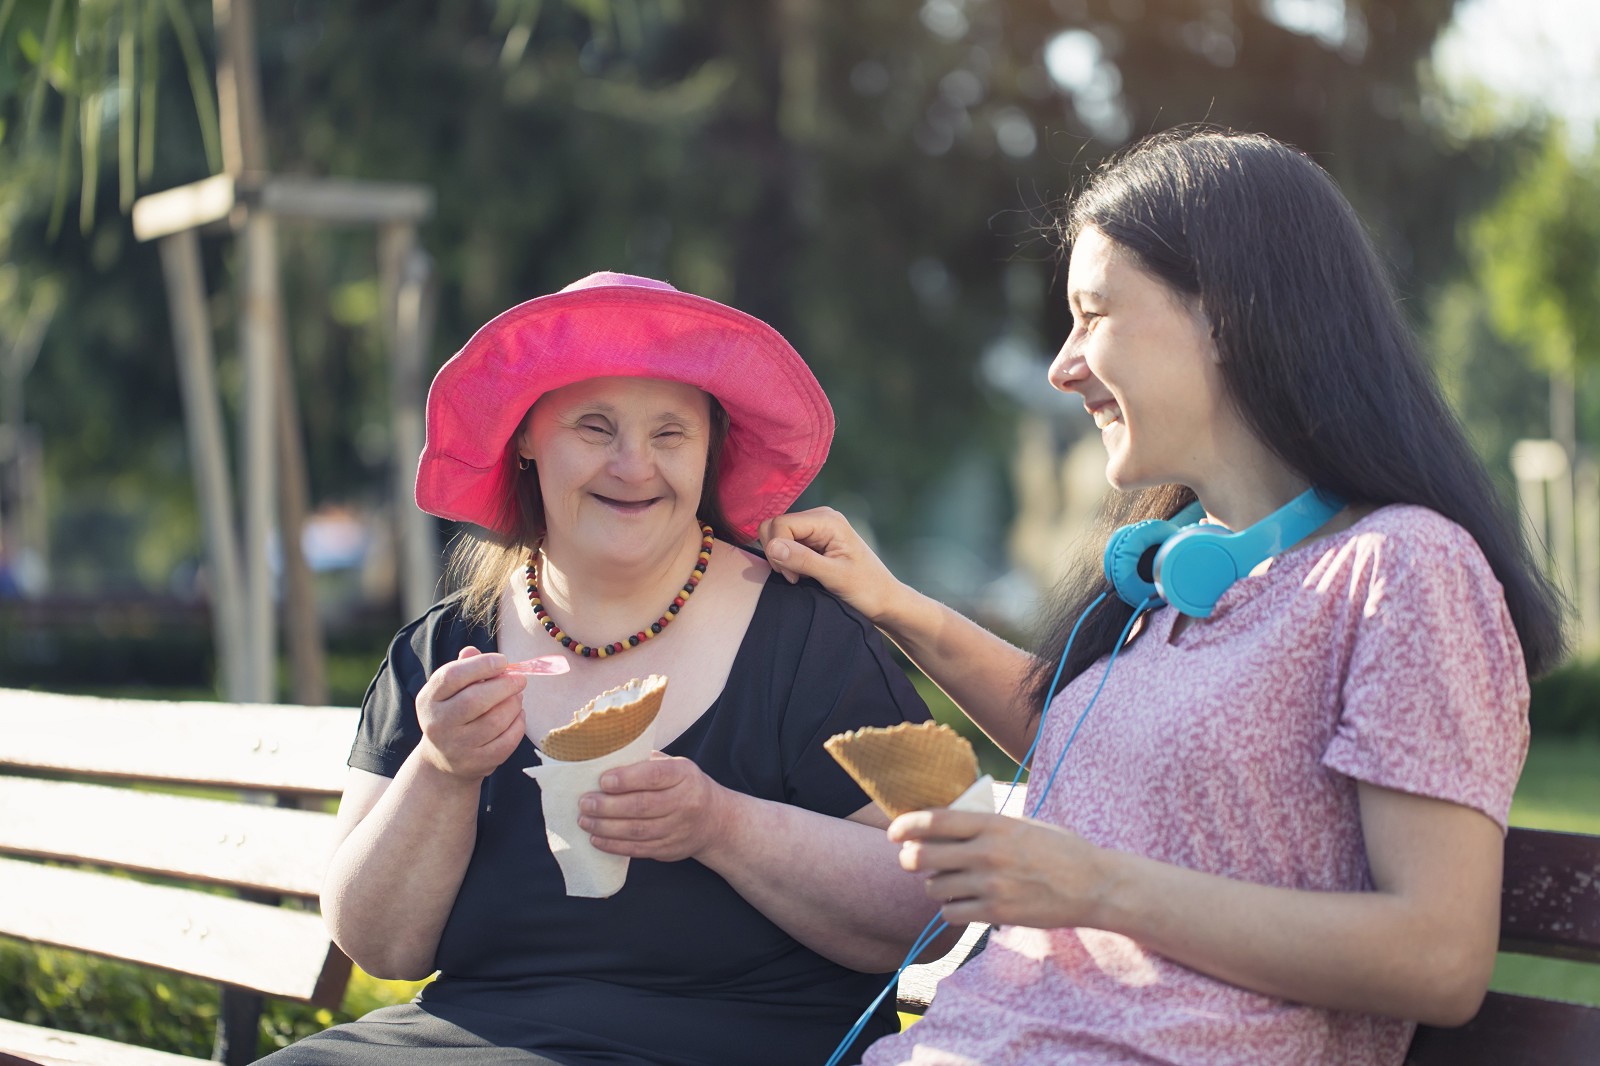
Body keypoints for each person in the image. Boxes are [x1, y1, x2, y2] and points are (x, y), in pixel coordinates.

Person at [760, 127, 1567, 1066]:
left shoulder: (1405, 571)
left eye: (1092, 315)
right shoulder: (1184, 568)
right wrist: (893, 602)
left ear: (1225, 313)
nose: (1062, 366)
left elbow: (1437, 957)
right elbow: (1104, 757)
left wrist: (1096, 888)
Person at [258, 272, 944, 1066]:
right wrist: (441, 772)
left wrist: (722, 825)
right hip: (471, 1040)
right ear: (524, 437)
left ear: (711, 446)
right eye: (594, 427)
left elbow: (934, 906)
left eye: (670, 434)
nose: (633, 465)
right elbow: (379, 944)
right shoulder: (442, 650)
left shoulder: (814, 639)